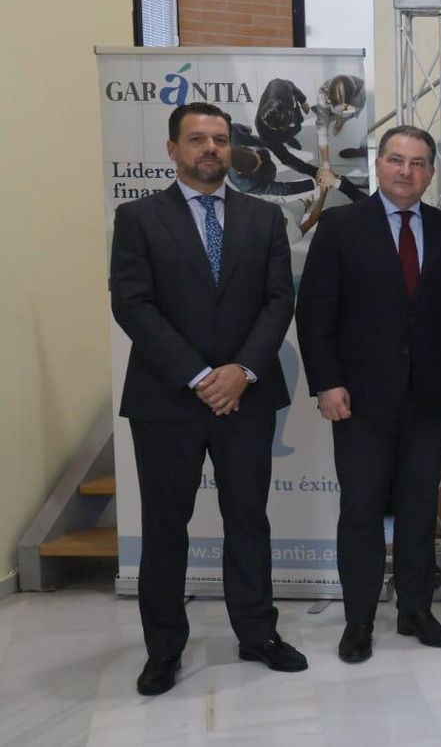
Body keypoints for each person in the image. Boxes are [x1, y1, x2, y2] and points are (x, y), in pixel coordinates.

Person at [110, 102, 304, 695]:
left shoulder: (264, 219)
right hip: (167, 399)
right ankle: (164, 649)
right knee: (166, 526)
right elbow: (132, 304)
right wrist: (200, 376)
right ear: (172, 149)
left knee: (248, 519)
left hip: (246, 394)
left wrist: (241, 370)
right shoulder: (138, 217)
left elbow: (278, 303)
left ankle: (257, 634)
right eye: (197, 139)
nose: (210, 149)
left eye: (219, 139)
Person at [295, 125, 441, 663]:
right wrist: (327, 382)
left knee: (420, 508)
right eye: (397, 160)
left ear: (430, 172)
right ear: (379, 166)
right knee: (359, 510)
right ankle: (358, 620)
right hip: (358, 399)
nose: (407, 171)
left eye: (419, 162)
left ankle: (415, 610)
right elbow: (314, 314)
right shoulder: (339, 227)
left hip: (429, 399)